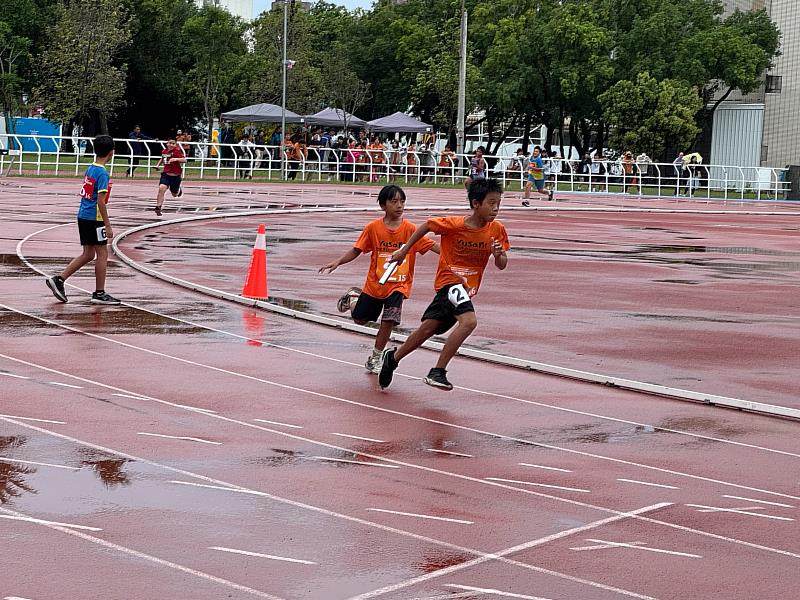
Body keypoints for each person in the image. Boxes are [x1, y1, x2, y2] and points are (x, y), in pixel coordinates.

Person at [378, 178, 510, 391]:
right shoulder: (455, 225)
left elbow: (502, 265)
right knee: (469, 322)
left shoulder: (497, 230)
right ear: (476, 204)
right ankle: (438, 371)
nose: (495, 209)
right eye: (491, 203)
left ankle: (392, 358)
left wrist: (499, 256)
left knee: (427, 330)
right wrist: (404, 250)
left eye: (498, 204)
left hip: (467, 289)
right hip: (449, 282)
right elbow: (427, 225)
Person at [319, 185, 439, 374]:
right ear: (383, 205)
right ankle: (352, 298)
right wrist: (338, 262)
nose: (399, 206)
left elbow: (433, 246)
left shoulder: (410, 230)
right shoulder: (373, 228)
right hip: (375, 285)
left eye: (402, 201)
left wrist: (458, 255)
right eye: (394, 201)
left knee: (389, 319)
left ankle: (375, 357)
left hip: (398, 285)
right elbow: (357, 250)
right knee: (360, 319)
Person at [46, 135, 121, 305]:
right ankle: (99, 293)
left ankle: (59, 279)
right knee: (102, 254)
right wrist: (108, 225)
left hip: (83, 215)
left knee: (88, 254)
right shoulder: (102, 173)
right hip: (95, 218)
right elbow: (101, 201)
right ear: (111, 153)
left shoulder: (91, 168)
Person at [152, 137, 186, 216]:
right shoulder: (164, 151)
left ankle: (178, 191)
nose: (171, 145)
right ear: (167, 144)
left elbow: (184, 160)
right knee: (161, 188)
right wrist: (157, 165)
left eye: (173, 143)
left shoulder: (177, 151)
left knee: (174, 194)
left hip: (175, 176)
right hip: (166, 174)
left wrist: (175, 159)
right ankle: (158, 206)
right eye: (169, 143)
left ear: (175, 145)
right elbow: (162, 158)